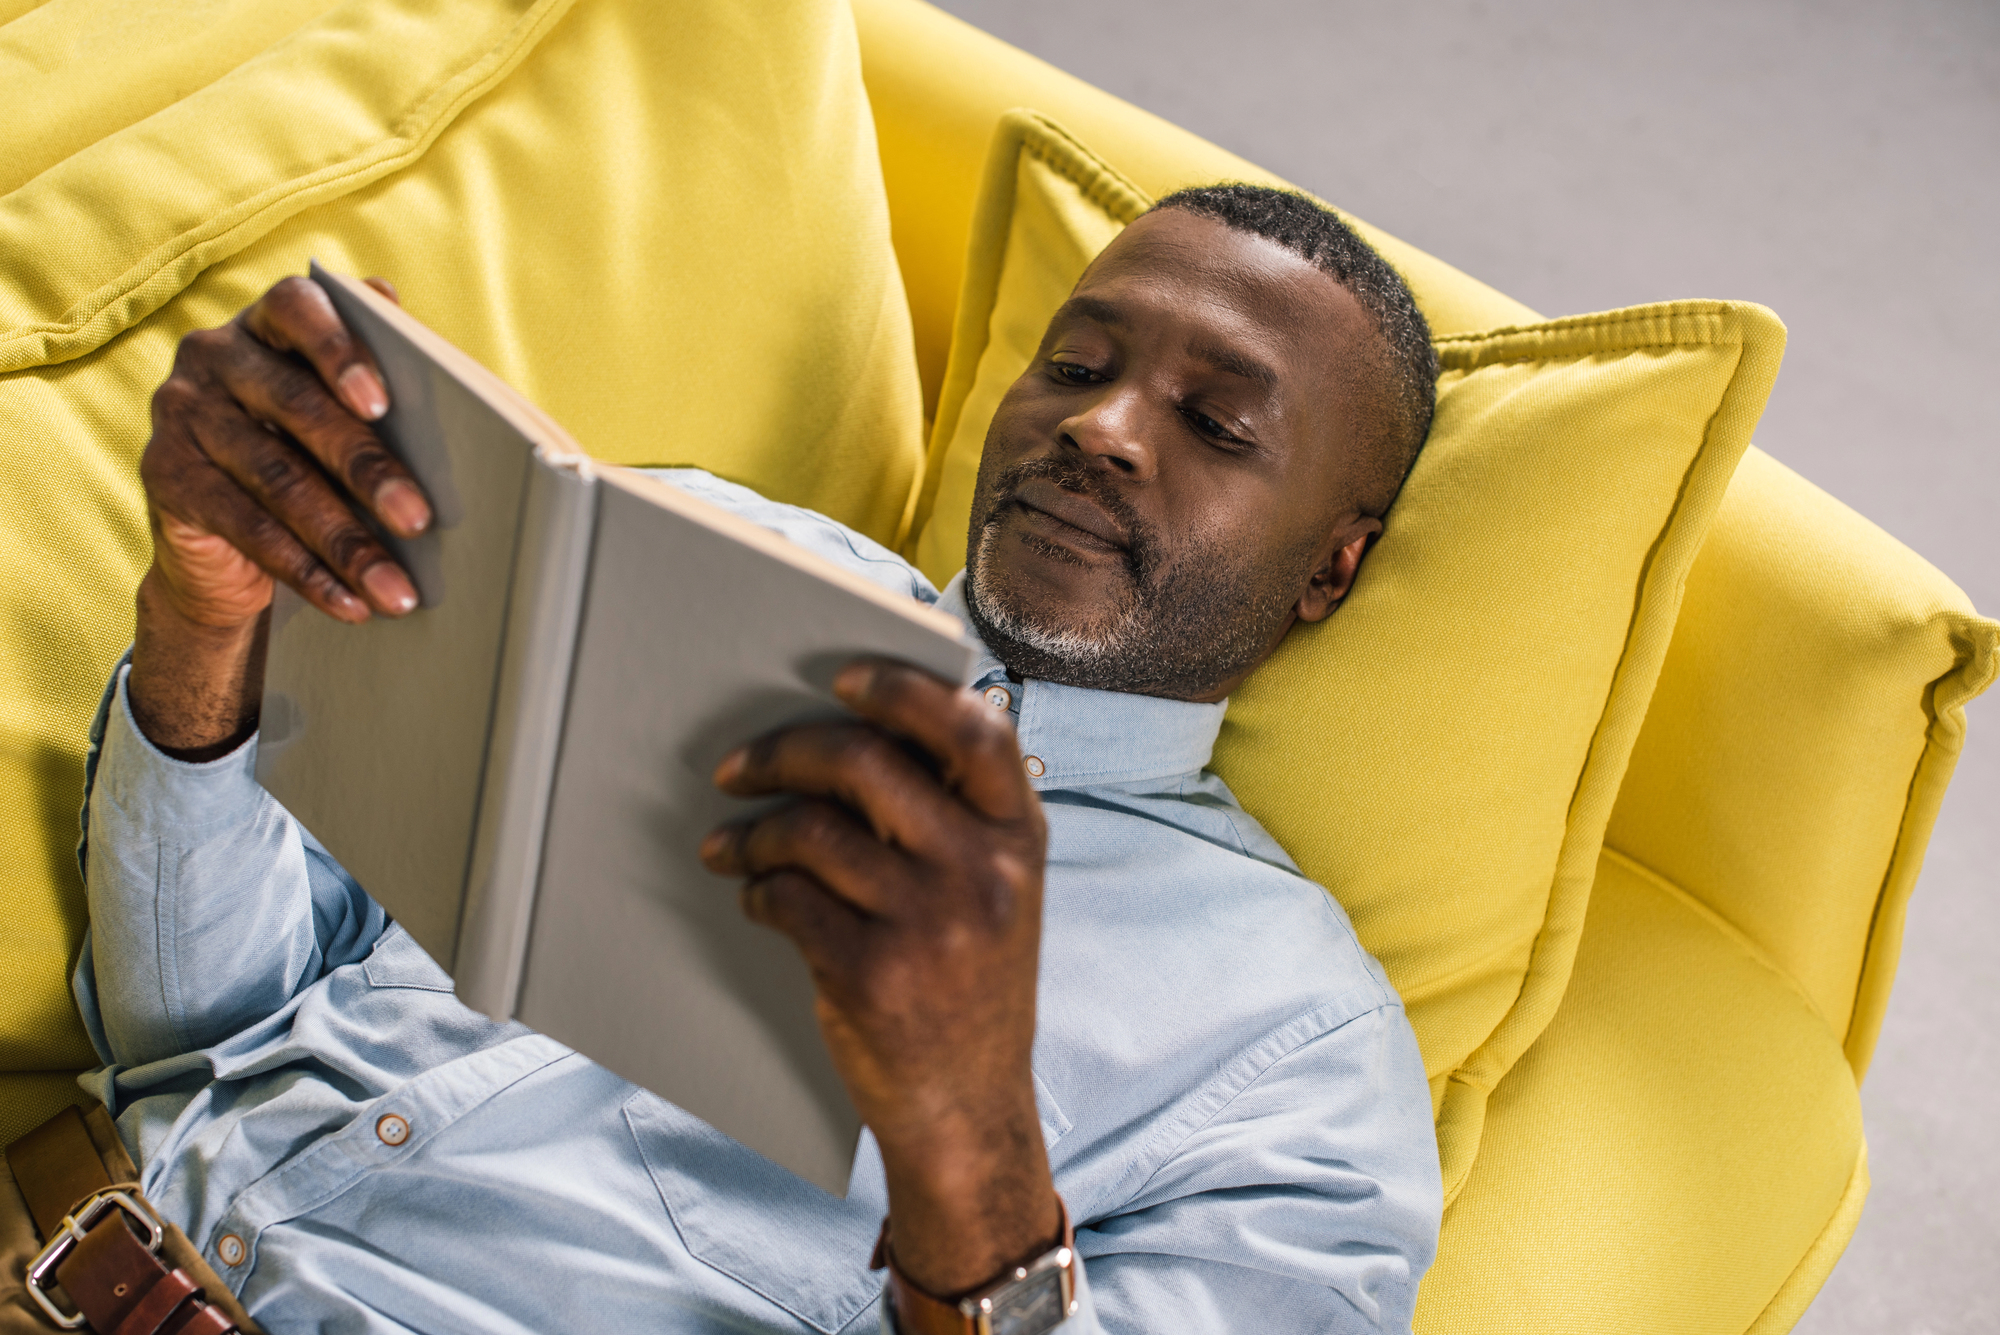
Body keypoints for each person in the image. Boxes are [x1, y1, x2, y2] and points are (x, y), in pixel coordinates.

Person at [67, 185, 1442, 1334]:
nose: (1102, 429)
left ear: (1332, 564)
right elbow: (197, 1029)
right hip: (60, 1241)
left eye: (1216, 426)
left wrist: (965, 1138)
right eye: (1076, 367)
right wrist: (205, 621)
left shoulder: (1302, 1063)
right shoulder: (673, 547)